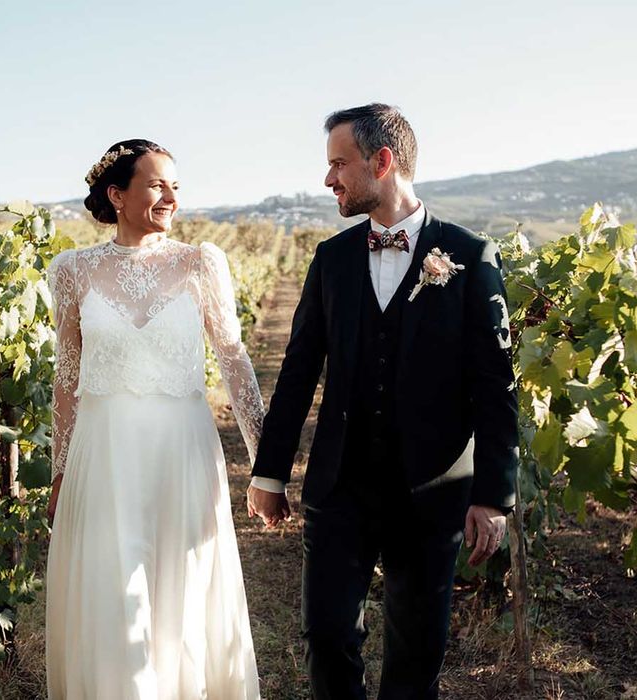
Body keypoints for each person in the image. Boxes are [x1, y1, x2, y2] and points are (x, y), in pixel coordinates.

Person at [247, 104, 519, 699]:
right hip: (340, 483)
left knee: (416, 651)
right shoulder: (331, 260)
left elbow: (496, 386)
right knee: (326, 636)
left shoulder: (470, 258)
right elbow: (297, 371)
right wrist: (270, 471)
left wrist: (494, 495)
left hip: (432, 490)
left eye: (339, 164)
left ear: (383, 161)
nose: (328, 180)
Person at [45, 139, 262, 699]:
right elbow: (66, 379)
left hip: (182, 452)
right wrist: (60, 468)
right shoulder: (71, 271)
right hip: (105, 453)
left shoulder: (200, 263)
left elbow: (234, 360)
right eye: (157, 184)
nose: (170, 197)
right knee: (114, 595)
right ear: (117, 195)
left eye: (176, 187)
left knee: (181, 594)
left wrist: (264, 460)